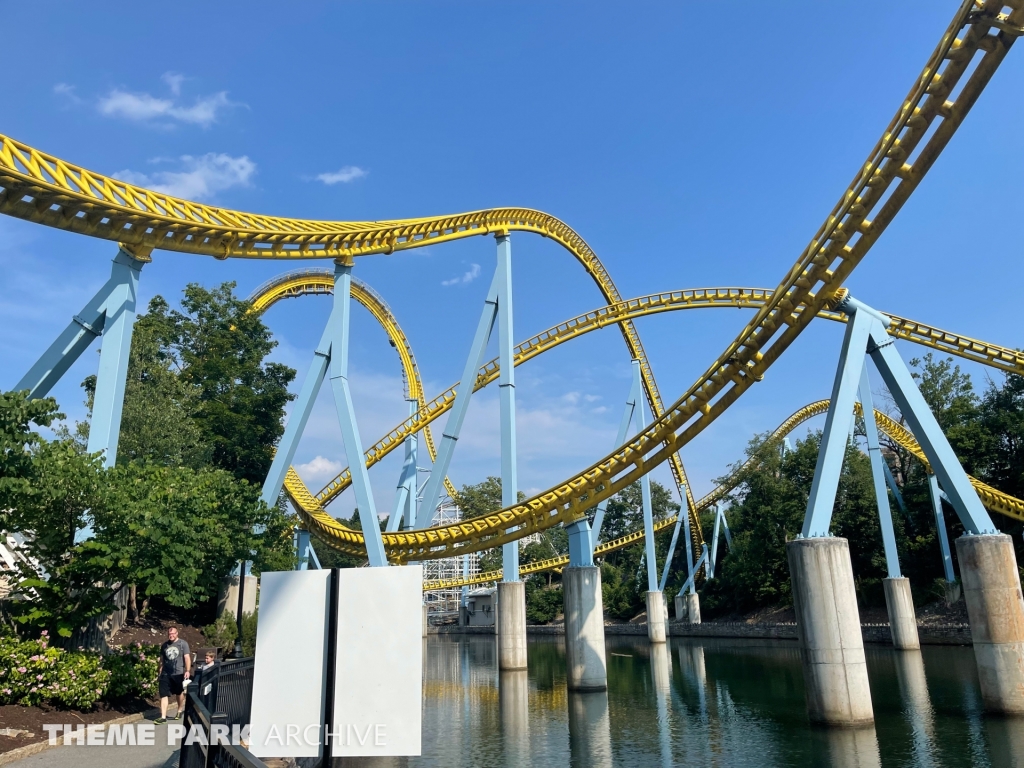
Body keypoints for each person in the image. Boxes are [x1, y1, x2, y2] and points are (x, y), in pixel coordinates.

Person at [154, 627, 191, 725]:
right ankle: (163, 717)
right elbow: (162, 660)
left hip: (178, 673)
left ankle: (179, 710)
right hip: (166, 673)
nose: (171, 635)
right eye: (170, 634)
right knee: (163, 694)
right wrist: (159, 672)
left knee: (179, 693)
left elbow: (187, 658)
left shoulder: (183, 644)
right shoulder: (165, 645)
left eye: (173, 634)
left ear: (177, 633)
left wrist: (187, 670)